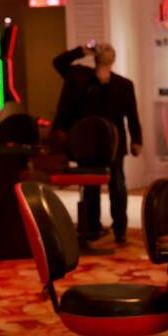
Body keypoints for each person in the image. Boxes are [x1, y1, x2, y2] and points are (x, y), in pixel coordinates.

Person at [53, 42, 143, 243]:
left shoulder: (124, 84)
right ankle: (91, 227)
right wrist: (81, 51)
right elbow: (58, 62)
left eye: (109, 48)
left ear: (114, 57)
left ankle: (120, 228)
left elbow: (133, 116)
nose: (104, 49)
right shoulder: (79, 77)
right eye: (101, 48)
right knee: (90, 187)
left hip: (114, 144)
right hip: (87, 145)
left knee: (117, 186)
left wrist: (137, 140)